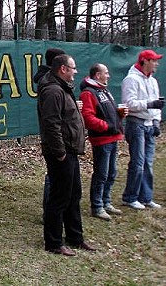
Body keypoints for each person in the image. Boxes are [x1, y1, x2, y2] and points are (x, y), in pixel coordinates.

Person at [37, 54, 96, 256]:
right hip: (61, 153)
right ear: (63, 69)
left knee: (73, 195)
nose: (75, 71)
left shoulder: (62, 88)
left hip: (70, 150)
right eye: (73, 67)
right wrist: (60, 152)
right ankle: (53, 242)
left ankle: (74, 237)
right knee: (59, 197)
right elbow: (51, 124)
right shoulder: (53, 91)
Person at [80, 63, 126, 221]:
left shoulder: (103, 90)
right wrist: (106, 126)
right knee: (101, 173)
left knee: (112, 172)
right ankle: (97, 206)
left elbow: (108, 112)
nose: (108, 76)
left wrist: (119, 116)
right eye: (106, 73)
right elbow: (88, 118)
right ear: (97, 75)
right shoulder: (88, 93)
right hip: (101, 139)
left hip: (113, 137)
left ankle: (106, 202)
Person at [121, 49, 166, 210]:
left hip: (149, 124)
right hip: (136, 123)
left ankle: (146, 197)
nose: (156, 64)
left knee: (148, 162)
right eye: (154, 60)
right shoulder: (131, 79)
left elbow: (158, 104)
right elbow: (129, 104)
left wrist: (156, 121)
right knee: (138, 163)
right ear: (145, 61)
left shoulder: (153, 81)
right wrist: (149, 104)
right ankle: (130, 196)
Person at [33, 47, 66, 221]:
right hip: (53, 137)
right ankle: (50, 213)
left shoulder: (50, 80)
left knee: (54, 175)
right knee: (53, 176)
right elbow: (52, 118)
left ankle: (53, 211)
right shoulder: (49, 83)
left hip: (56, 135)